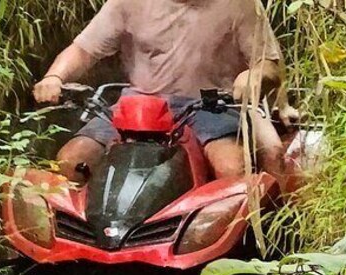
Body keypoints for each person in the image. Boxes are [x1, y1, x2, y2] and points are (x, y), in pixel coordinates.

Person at [32, 0, 299, 184]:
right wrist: (54, 77)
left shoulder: (239, 4)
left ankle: (255, 246)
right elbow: (84, 50)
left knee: (232, 168)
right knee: (70, 161)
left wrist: (252, 76)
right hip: (138, 104)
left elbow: (270, 65)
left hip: (211, 105)